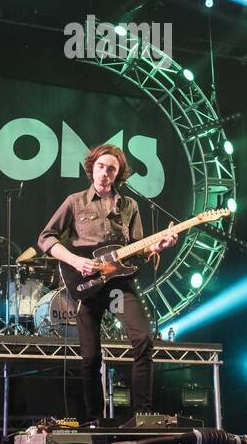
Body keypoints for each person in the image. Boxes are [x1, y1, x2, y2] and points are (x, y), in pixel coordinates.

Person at [38, 143, 177, 423]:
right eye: (101, 166)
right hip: (86, 283)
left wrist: (157, 246)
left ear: (118, 174)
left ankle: (143, 415)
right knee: (90, 358)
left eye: (111, 169)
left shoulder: (129, 206)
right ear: (92, 168)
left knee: (143, 340)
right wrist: (76, 261)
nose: (105, 173)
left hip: (118, 284)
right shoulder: (74, 202)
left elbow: (137, 249)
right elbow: (46, 239)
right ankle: (94, 420)